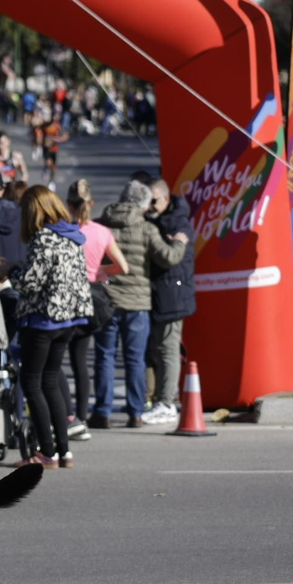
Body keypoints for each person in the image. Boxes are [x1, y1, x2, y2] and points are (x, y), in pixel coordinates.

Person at [91, 180, 186, 429]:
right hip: (137, 305)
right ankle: (134, 413)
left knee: (105, 357)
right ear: (143, 205)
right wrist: (180, 242)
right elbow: (168, 258)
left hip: (106, 301)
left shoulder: (102, 225)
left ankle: (102, 411)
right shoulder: (146, 228)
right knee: (135, 360)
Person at [9, 186, 92, 467]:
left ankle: (46, 452)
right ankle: (64, 451)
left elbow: (31, 281)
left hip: (43, 319)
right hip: (69, 318)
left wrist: (8, 270)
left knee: (31, 382)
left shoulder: (43, 237)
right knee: (51, 381)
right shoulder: (72, 235)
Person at [64, 179, 128, 444]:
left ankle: (67, 416)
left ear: (68, 204)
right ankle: (82, 416)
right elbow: (122, 266)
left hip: (68, 296)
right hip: (93, 298)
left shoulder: (65, 231)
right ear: (91, 204)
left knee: (58, 360)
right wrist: (100, 272)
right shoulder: (102, 232)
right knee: (81, 361)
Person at [142, 178, 197, 424]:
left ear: (165, 198)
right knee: (155, 349)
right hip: (160, 292)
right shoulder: (158, 220)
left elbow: (170, 258)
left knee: (168, 349)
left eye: (153, 201)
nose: (149, 205)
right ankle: (155, 399)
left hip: (172, 294)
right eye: (147, 200)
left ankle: (166, 402)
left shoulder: (177, 223)